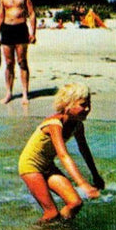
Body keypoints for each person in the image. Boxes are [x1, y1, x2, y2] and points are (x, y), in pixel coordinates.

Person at [17, 83, 104, 222]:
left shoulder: (77, 125)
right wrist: (82, 183)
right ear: (67, 105)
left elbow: (85, 151)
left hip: (47, 166)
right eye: (82, 104)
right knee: (51, 213)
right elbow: (63, 155)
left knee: (75, 203)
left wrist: (95, 176)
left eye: (89, 104)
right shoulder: (54, 124)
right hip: (30, 166)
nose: (87, 109)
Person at [0, 0, 36, 105]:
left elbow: (31, 13)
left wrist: (33, 32)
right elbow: (0, 16)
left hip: (21, 29)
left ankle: (25, 93)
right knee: (9, 63)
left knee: (22, 62)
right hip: (7, 30)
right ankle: (9, 93)